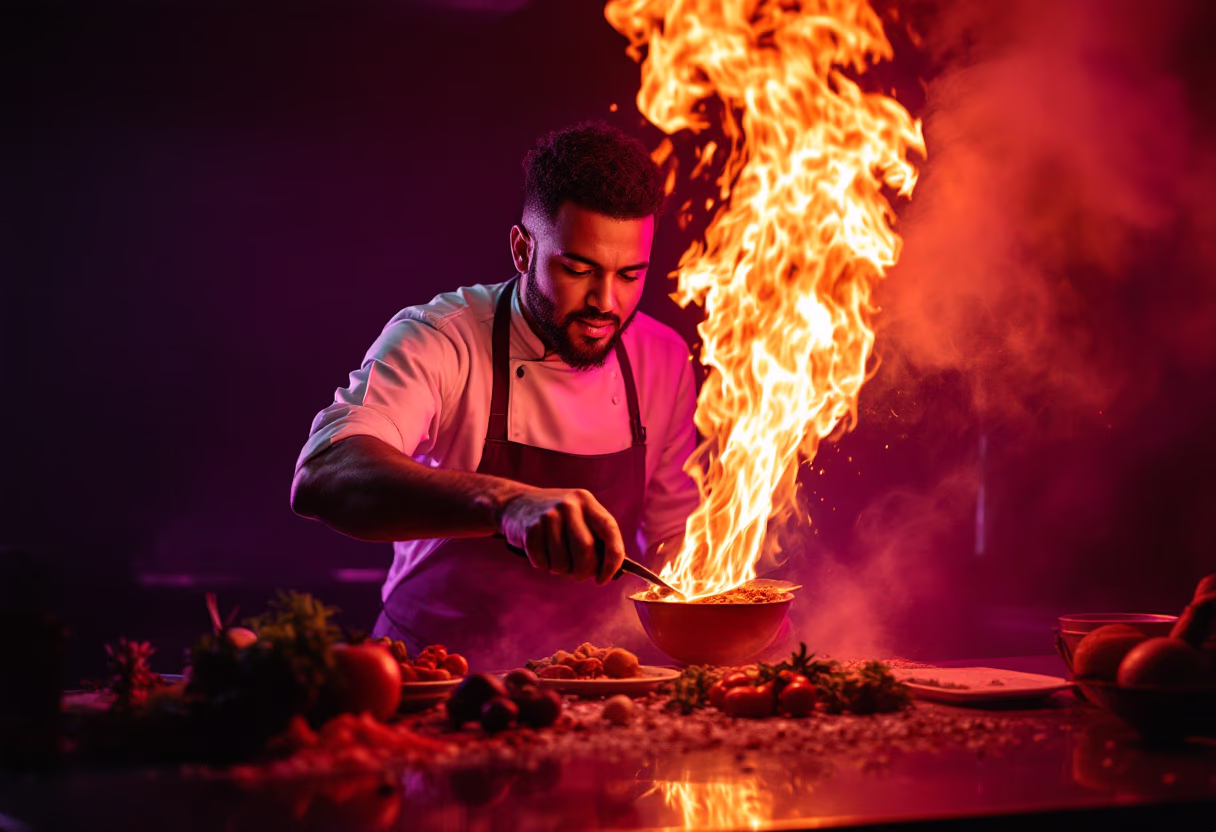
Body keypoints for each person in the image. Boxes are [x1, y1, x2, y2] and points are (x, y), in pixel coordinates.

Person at [290, 121, 699, 668]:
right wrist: (508, 503)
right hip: (435, 672)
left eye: (629, 274)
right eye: (577, 269)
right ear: (521, 248)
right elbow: (322, 474)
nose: (606, 302)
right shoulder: (442, 338)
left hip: (596, 676)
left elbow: (676, 537)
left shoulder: (662, 357)